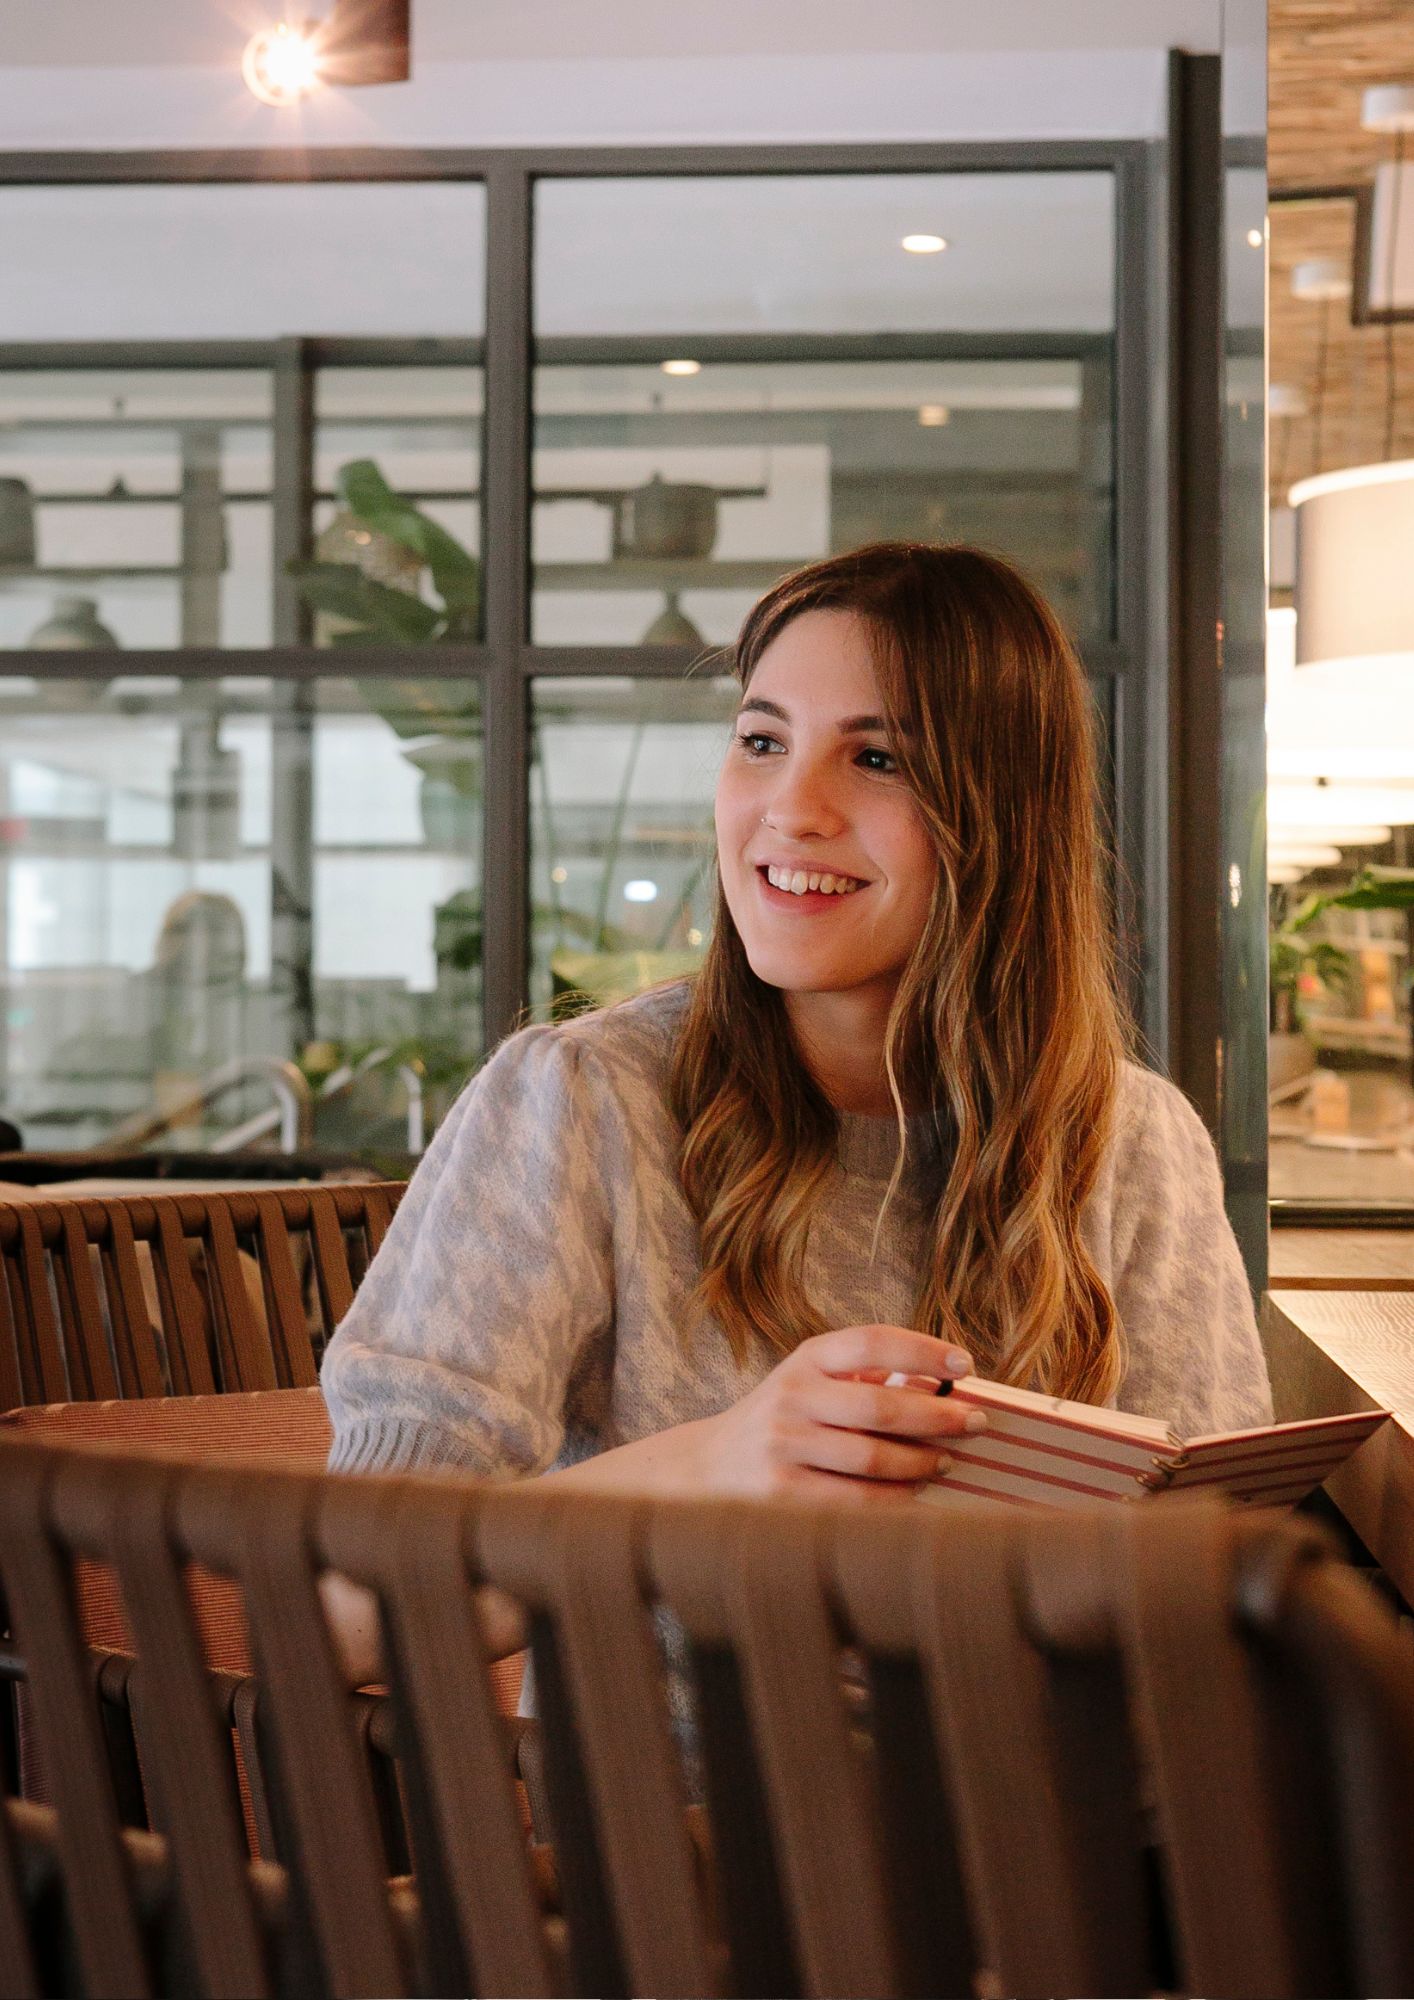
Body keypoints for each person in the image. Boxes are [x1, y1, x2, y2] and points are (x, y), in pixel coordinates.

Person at [319, 541, 1272, 1671]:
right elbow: (353, 1610)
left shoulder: (1134, 1137)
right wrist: (711, 1467)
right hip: (683, 1829)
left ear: (1002, 816)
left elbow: (1226, 1580)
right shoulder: (580, 1099)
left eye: (875, 757)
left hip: (1048, 1823)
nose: (791, 807)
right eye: (761, 740)